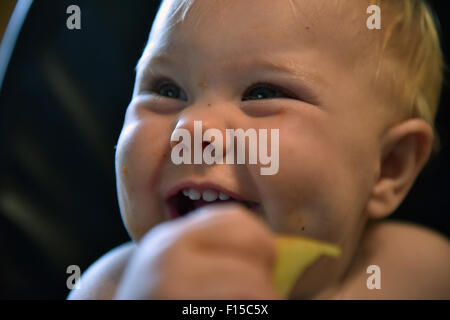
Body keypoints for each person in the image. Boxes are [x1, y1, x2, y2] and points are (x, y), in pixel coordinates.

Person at [68, 0, 450, 299]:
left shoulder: (420, 275)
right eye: (167, 90)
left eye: (263, 93)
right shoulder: (111, 289)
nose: (193, 127)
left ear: (388, 166)